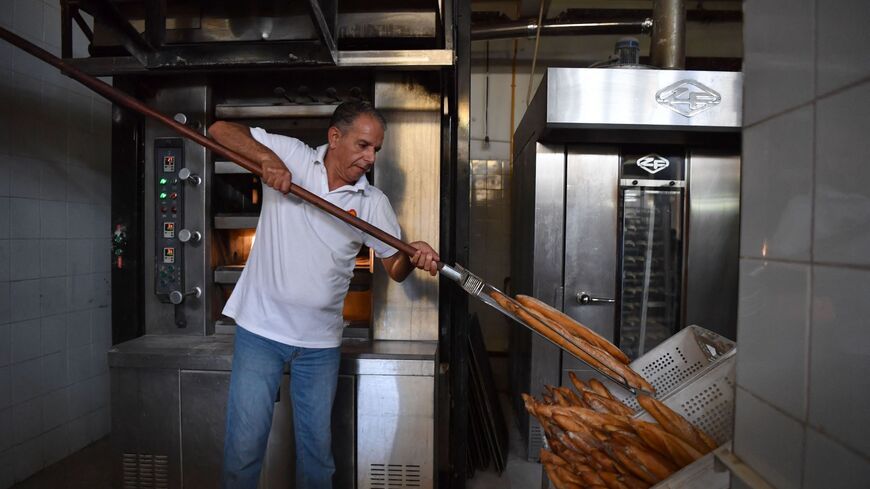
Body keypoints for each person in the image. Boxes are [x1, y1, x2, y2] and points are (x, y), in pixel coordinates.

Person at [209, 101, 439, 489]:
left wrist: (412, 255)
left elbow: (394, 270)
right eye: (363, 145)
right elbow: (219, 130)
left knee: (317, 457)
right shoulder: (295, 157)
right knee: (244, 450)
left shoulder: (372, 203)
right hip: (261, 332)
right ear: (335, 138)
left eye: (376, 150)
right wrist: (269, 160)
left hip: (319, 344)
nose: (369, 158)